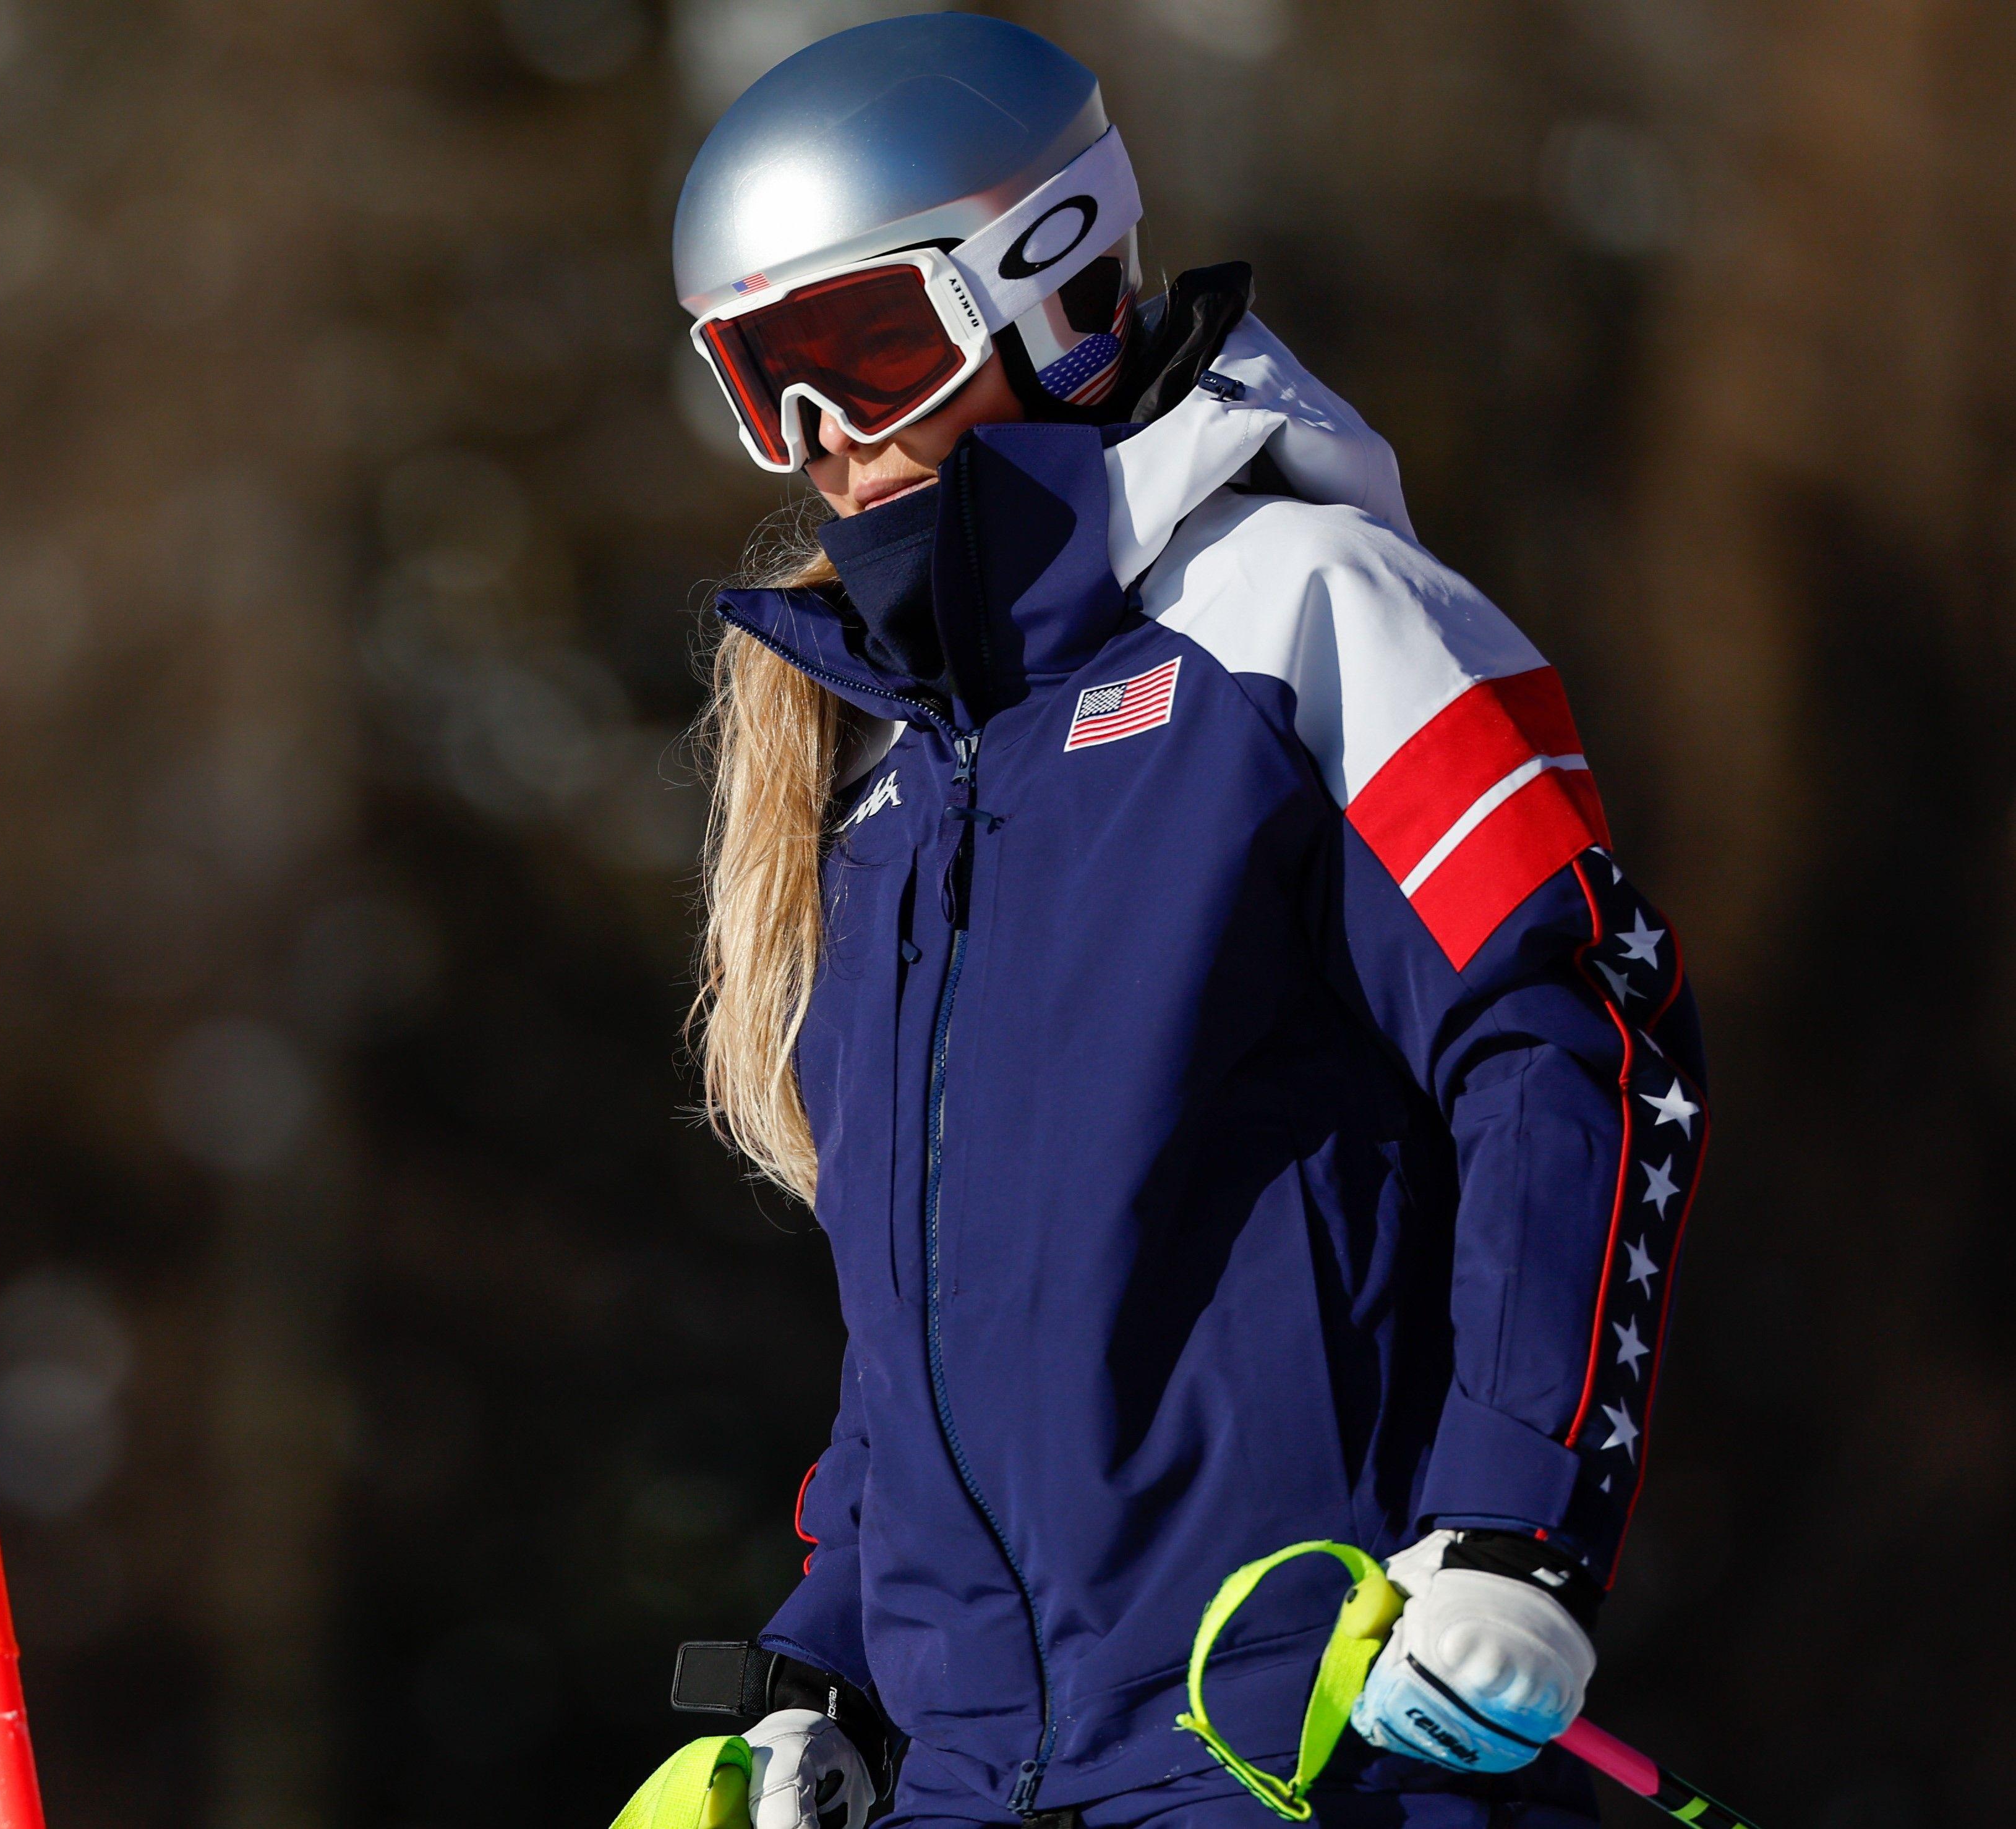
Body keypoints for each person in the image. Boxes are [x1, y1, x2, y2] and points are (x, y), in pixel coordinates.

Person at [646, 15, 1707, 1829]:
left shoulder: (1299, 617)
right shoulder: (890, 787)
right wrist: (822, 1664)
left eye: (868, 350)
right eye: (768, 381)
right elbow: (936, 1321)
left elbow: (1575, 1041)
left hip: (1290, 1736)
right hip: (976, 1784)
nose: (830, 442)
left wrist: (1510, 1530)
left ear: (1047, 277)